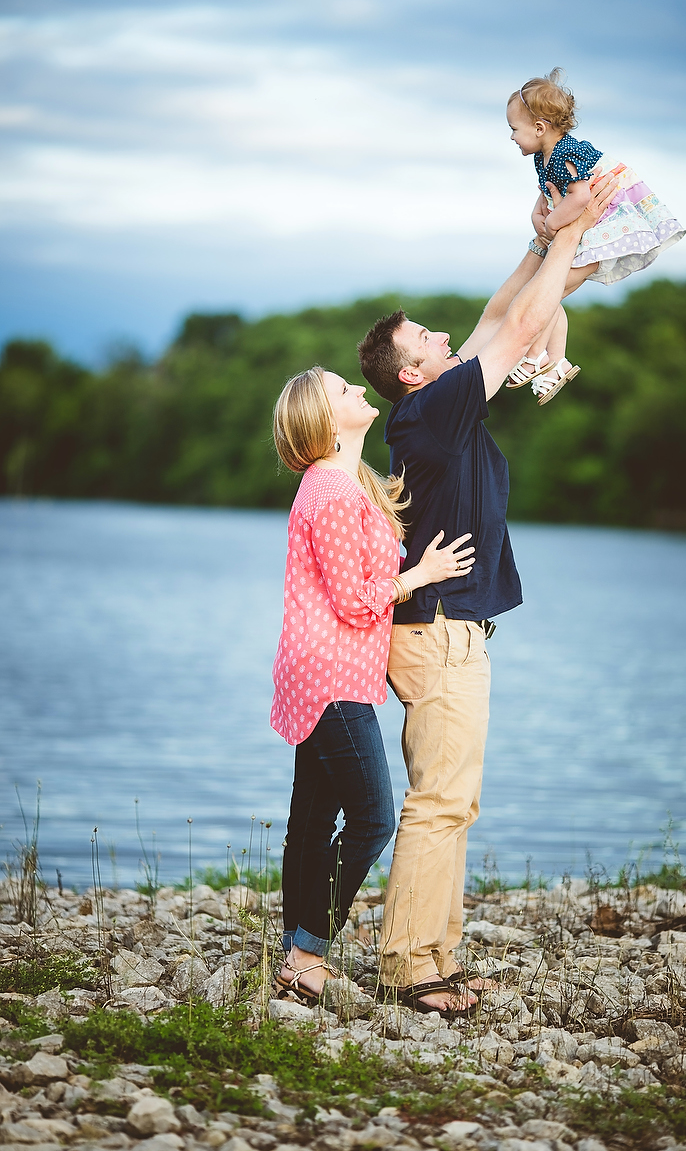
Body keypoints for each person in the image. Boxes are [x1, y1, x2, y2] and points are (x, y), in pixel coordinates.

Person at [356, 171, 620, 1013]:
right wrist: (571, 237)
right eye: (427, 337)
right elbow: (526, 323)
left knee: (452, 801)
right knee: (440, 802)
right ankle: (410, 970)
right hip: (437, 632)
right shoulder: (431, 413)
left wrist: (545, 239)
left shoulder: (440, 404)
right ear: (411, 373)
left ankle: (433, 955)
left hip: (447, 630)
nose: (444, 335)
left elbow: (509, 310)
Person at [270, 366, 475, 1003]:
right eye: (341, 389)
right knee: (373, 819)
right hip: (330, 677)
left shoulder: (346, 482)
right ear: (326, 422)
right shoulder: (330, 493)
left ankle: (292, 951)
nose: (355, 389)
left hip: (328, 672)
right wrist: (422, 575)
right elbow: (357, 601)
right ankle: (308, 951)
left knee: (312, 819)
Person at [505, 68, 685, 402]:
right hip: (589, 232)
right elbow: (552, 187)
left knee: (546, 294)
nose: (512, 137)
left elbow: (580, 195)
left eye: (514, 129)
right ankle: (554, 361)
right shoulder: (548, 155)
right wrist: (537, 212)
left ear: (539, 128)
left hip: (603, 231)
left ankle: (537, 357)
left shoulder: (564, 153)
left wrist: (552, 224)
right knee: (548, 293)